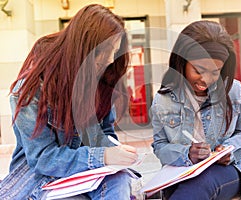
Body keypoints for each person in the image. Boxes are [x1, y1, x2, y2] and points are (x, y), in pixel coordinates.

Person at [0, 4, 138, 200]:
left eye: (114, 52)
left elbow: (105, 131)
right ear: (83, 48)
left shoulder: (100, 77)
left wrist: (115, 151)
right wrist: (103, 156)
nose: (109, 60)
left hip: (91, 173)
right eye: (105, 51)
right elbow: (43, 158)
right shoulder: (32, 89)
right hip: (41, 176)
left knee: (121, 180)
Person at [151, 20, 241, 200]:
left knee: (202, 184)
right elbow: (159, 146)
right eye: (199, 70)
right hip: (180, 173)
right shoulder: (163, 100)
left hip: (225, 171)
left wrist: (230, 149)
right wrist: (187, 154)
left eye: (215, 72)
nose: (206, 80)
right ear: (182, 62)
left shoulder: (234, 91)